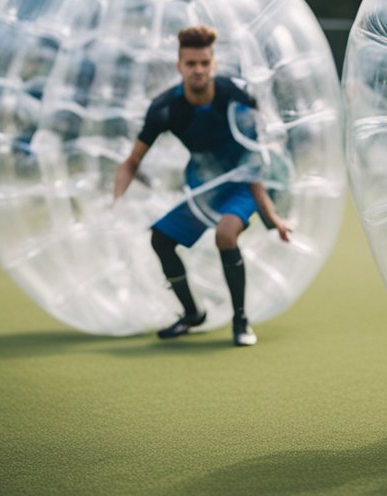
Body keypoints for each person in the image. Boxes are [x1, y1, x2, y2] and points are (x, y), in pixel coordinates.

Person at [113, 25, 291, 347]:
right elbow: (131, 162)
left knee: (226, 234)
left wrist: (272, 216)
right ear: (178, 66)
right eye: (191, 63)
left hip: (242, 182)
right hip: (204, 185)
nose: (198, 70)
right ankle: (192, 313)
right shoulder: (165, 108)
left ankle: (241, 320)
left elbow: (257, 159)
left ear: (214, 64)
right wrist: (115, 205)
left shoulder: (237, 95)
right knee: (161, 239)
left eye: (204, 63)